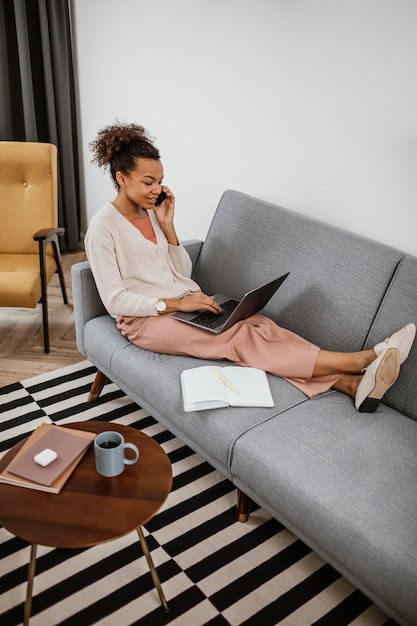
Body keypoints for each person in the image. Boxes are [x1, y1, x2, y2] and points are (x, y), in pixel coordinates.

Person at [85, 122, 416, 413]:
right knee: (237, 338)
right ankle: (359, 361)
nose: (157, 190)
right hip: (144, 321)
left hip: (183, 304)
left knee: (260, 324)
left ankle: (351, 386)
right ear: (121, 178)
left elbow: (181, 274)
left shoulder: (152, 213)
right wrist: (176, 304)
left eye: (160, 181)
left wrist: (168, 227)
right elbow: (115, 300)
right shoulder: (103, 227)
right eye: (148, 182)